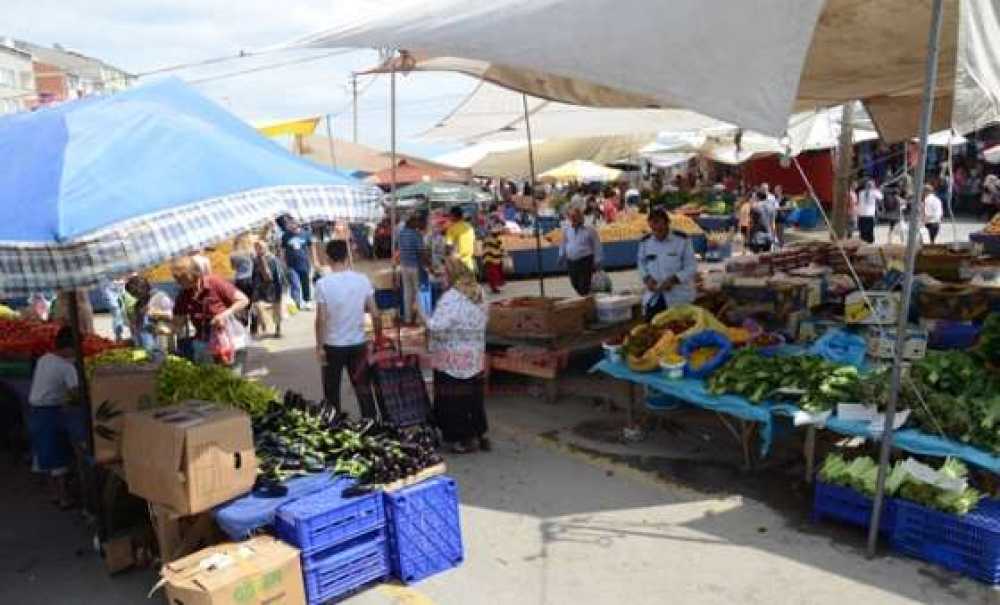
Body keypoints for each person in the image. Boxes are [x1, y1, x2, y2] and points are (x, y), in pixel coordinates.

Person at [419, 257, 489, 454]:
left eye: (442, 275)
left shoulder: (451, 297)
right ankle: (477, 432)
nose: (439, 280)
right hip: (474, 356)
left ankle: (459, 439)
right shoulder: (479, 292)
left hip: (451, 359)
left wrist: (422, 315)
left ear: (452, 276)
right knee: (473, 399)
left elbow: (437, 327)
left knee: (452, 400)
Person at [314, 240, 381, 416]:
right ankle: (371, 426)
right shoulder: (362, 280)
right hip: (358, 343)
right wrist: (379, 338)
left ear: (328, 258)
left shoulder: (323, 284)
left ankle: (335, 426)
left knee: (331, 391)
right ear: (347, 256)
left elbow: (321, 319)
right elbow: (375, 313)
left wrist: (319, 347)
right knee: (363, 389)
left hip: (333, 345)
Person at [28, 326, 78, 509]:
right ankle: (64, 498)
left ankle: (54, 494)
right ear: (69, 348)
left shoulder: (44, 359)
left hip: (35, 411)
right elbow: (75, 393)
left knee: (44, 455)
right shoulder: (66, 367)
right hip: (50, 413)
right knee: (58, 457)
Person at [172, 256, 249, 369]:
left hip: (229, 341)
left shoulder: (214, 282)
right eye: (177, 279)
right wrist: (168, 325)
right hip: (203, 344)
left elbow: (243, 300)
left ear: (194, 274)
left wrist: (224, 315)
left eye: (181, 278)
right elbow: (179, 322)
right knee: (210, 381)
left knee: (232, 381)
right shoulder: (183, 295)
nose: (178, 282)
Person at [637, 209, 697, 320]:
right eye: (653, 229)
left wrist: (674, 279)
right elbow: (641, 263)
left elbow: (691, 267)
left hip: (679, 296)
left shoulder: (682, 240)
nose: (657, 233)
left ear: (668, 223)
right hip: (654, 296)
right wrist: (646, 278)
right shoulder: (645, 242)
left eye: (660, 229)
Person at [557, 207, 603, 296]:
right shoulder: (567, 228)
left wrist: (598, 260)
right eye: (571, 217)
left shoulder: (589, 229)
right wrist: (561, 255)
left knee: (584, 284)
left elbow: (597, 245)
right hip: (571, 261)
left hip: (585, 260)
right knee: (574, 283)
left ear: (580, 217)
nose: (572, 219)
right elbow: (564, 243)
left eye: (575, 217)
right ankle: (586, 296)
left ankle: (586, 298)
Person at [278, 216, 321, 311]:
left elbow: (312, 247)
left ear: (297, 223)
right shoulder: (285, 236)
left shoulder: (306, 234)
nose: (290, 225)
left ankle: (307, 301)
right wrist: (282, 262)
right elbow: (282, 250)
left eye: (292, 223)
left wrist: (315, 260)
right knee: (295, 283)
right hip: (291, 264)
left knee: (305, 282)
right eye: (289, 223)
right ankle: (296, 303)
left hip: (304, 263)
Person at [397, 213, 429, 325]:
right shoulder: (416, 235)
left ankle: (408, 318)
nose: (419, 224)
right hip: (415, 267)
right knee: (419, 293)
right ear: (412, 222)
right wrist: (428, 265)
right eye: (417, 222)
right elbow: (421, 253)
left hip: (404, 266)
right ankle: (421, 319)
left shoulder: (400, 234)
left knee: (407, 293)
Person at [250, 239, 285, 338]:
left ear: (266, 248)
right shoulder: (256, 259)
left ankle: (278, 328)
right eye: (256, 248)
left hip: (273, 287)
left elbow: (275, 276)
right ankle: (265, 325)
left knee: (276, 308)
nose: (258, 249)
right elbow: (254, 274)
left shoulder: (272, 259)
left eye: (260, 247)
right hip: (261, 287)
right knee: (258, 305)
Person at [444, 206, 476, 273]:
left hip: (458, 265)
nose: (449, 218)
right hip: (470, 264)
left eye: (450, 216)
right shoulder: (470, 227)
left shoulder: (452, 229)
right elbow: (473, 242)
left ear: (453, 216)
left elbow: (448, 248)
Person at [482, 216, 506, 294]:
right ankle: (494, 288)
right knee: (494, 274)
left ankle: (494, 287)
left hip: (491, 258)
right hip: (492, 258)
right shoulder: (496, 238)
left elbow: (501, 247)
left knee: (493, 274)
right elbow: (501, 248)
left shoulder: (489, 238)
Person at [857, 179, 882, 244]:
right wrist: (877, 190)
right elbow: (881, 197)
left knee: (862, 229)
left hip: (861, 213)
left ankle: (862, 240)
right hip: (869, 214)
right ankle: (869, 241)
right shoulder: (874, 192)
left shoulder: (861, 192)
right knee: (869, 229)